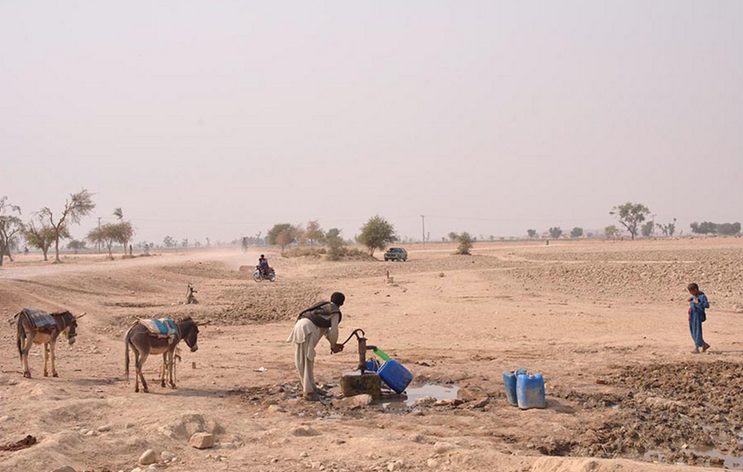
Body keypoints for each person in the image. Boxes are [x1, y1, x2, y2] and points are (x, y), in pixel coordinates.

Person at [287, 292, 346, 401]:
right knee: (305, 361)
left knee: (304, 360)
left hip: (299, 326)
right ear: (342, 303)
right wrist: (333, 345)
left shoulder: (324, 306)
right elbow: (333, 331)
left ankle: (312, 388)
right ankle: (308, 393)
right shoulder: (335, 312)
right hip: (307, 330)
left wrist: (333, 344)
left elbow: (325, 331)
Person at [687, 283, 710, 354]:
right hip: (692, 316)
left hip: (697, 316)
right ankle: (704, 345)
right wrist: (691, 300)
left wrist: (698, 303)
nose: (691, 293)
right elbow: (692, 301)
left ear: (695, 290)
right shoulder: (694, 296)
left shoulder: (702, 296)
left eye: (691, 291)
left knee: (697, 332)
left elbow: (707, 305)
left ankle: (697, 347)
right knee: (693, 332)